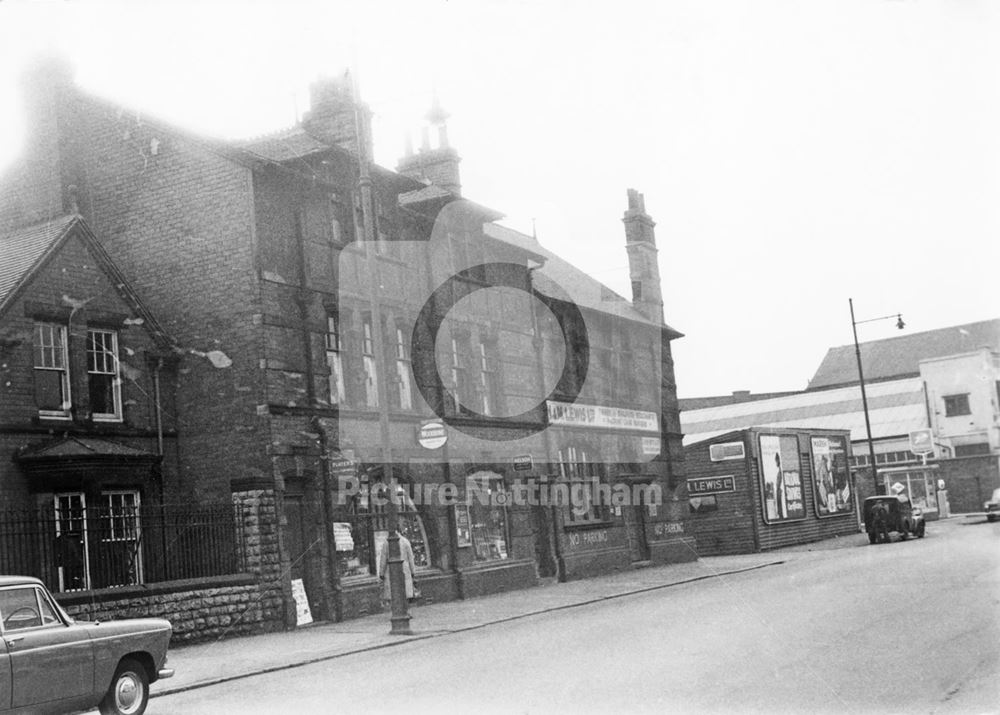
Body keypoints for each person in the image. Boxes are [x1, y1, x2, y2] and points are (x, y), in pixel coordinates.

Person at [379, 530, 418, 604]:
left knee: (394, 592)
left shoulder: (386, 543)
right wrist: (413, 572)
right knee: (404, 592)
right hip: (405, 570)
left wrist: (381, 573)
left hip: (391, 571)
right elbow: (411, 558)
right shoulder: (405, 541)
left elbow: (383, 559)